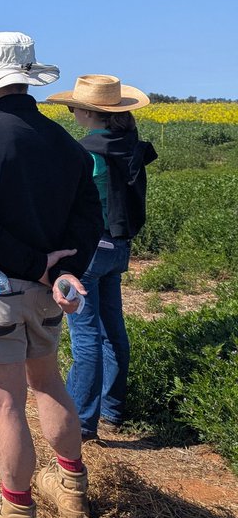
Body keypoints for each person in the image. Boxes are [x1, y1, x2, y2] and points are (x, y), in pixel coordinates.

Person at [0, 32, 102, 518]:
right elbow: (88, 219)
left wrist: (34, 265)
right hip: (49, 290)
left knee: (6, 403)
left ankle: (15, 515)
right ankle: (72, 487)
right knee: (49, 381)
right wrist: (60, 272)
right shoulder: (65, 144)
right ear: (28, 80)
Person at [46, 74, 157, 442]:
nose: (72, 111)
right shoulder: (129, 145)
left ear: (90, 112)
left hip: (91, 250)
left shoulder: (90, 150)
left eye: (74, 106)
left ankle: (80, 422)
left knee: (85, 336)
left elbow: (73, 203)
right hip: (119, 247)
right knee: (113, 330)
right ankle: (112, 410)